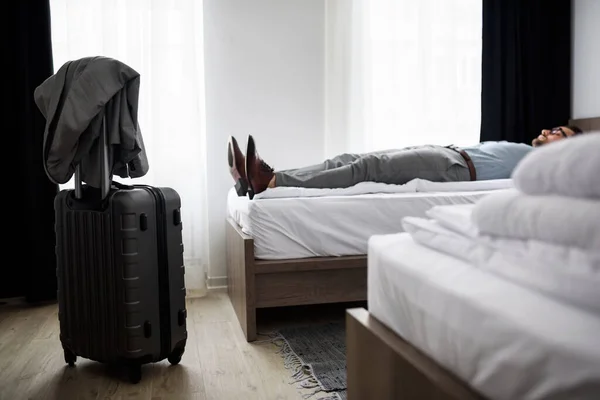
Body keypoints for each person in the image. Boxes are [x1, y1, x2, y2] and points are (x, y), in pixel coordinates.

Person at [227, 125, 584, 199]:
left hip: (453, 169)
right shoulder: (528, 151)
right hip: (449, 154)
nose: (548, 130)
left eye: (559, 133)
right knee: (351, 158)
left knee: (364, 170)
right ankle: (265, 176)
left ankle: (271, 183)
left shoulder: (546, 166)